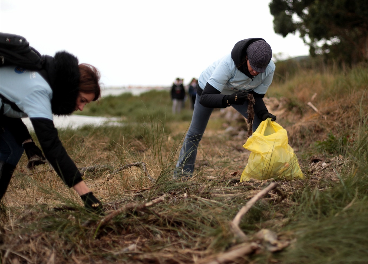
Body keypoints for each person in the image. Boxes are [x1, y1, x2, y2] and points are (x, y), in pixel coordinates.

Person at [0, 50, 103, 213]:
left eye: (86, 104)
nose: (81, 108)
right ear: (71, 88)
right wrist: (86, 195)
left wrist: (27, 142)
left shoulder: (44, 76)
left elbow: (6, 105)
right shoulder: (40, 90)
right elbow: (52, 146)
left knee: (12, 149)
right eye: (82, 100)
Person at [174, 38, 277, 179]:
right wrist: (231, 99)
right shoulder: (228, 64)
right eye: (252, 67)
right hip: (208, 91)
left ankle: (263, 169)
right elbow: (206, 97)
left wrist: (264, 113)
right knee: (195, 133)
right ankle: (182, 176)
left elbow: (256, 97)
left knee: (262, 123)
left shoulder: (269, 69)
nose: (255, 72)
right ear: (246, 57)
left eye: (260, 70)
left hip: (238, 92)